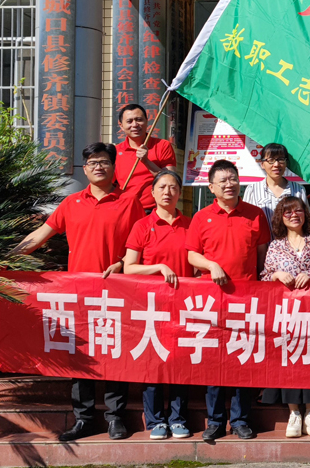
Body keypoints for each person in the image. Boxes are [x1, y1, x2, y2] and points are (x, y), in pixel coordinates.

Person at [14, 142, 144, 442]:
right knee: (80, 355)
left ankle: (115, 417)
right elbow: (41, 235)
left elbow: (140, 244)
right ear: (84, 169)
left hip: (117, 292)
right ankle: (84, 418)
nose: (99, 166)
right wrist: (7, 257)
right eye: (93, 162)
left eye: (104, 161)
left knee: (114, 353)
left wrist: (122, 262)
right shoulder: (71, 203)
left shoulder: (130, 202)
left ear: (114, 167)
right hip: (78, 294)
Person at [186, 159, 271, 441]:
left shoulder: (255, 214)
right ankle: (215, 421)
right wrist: (212, 265)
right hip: (211, 301)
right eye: (222, 180)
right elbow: (192, 255)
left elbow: (262, 257)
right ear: (211, 187)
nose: (229, 184)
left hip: (246, 300)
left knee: (242, 360)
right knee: (214, 361)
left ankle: (240, 420)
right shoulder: (201, 217)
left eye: (233, 178)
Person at [122, 170, 193, 440]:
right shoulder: (142, 225)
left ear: (180, 193)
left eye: (173, 187)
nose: (167, 192)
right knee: (152, 363)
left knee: (180, 363)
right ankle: (155, 421)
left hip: (183, 305)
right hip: (150, 306)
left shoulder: (191, 224)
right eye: (161, 187)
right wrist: (159, 267)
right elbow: (129, 267)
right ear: (152, 193)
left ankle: (178, 418)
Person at [260, 195, 310, 439]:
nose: (293, 215)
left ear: (305, 214)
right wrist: (276, 275)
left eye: (298, 210)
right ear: (281, 218)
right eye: (287, 212)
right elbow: (264, 277)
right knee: (288, 359)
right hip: (285, 314)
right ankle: (294, 413)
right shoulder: (275, 246)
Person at [114, 104, 177, 211]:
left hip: (154, 211)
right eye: (129, 121)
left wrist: (146, 161)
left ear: (147, 121)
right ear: (121, 125)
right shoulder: (115, 151)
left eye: (139, 120)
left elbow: (171, 179)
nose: (135, 125)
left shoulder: (162, 145)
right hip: (126, 209)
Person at [243, 143, 307, 229]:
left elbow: (306, 220)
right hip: (263, 238)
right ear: (262, 164)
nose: (276, 164)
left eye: (281, 159)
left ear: (286, 163)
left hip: (291, 238)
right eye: (271, 160)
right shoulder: (252, 189)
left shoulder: (299, 190)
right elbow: (246, 221)